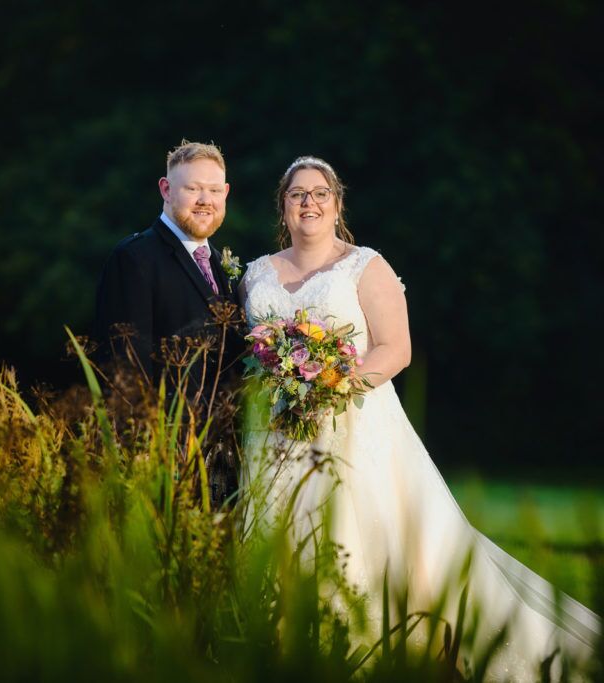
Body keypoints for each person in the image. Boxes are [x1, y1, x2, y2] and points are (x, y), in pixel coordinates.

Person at [239, 155, 600, 680]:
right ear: (283, 207)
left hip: (353, 427)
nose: (308, 202)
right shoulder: (255, 275)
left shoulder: (364, 266)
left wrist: (331, 388)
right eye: (297, 194)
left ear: (337, 205)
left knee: (369, 539)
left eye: (319, 193)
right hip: (276, 435)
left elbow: (395, 349)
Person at [93, 140, 241, 507]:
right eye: (192, 189)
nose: (204, 200)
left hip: (220, 455)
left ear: (225, 194)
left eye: (213, 190)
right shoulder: (135, 258)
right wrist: (143, 450)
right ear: (166, 189)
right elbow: (124, 363)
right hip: (165, 455)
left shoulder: (219, 265)